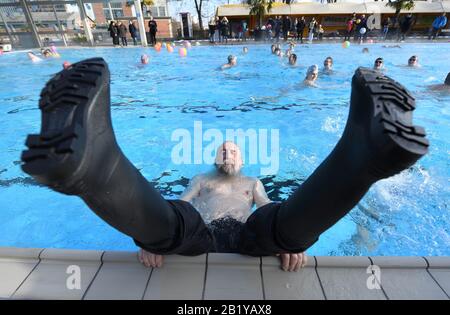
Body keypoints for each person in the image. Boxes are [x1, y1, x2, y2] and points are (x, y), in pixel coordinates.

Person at [21, 58, 428, 271]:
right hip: (200, 235)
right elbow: (178, 203)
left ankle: (362, 154)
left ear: (245, 159)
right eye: (222, 150)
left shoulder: (252, 182)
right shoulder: (201, 178)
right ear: (212, 158)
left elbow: (268, 207)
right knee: (173, 223)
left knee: (281, 224)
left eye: (234, 150)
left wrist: (294, 240)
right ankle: (93, 165)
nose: (228, 153)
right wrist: (146, 234)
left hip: (249, 236)